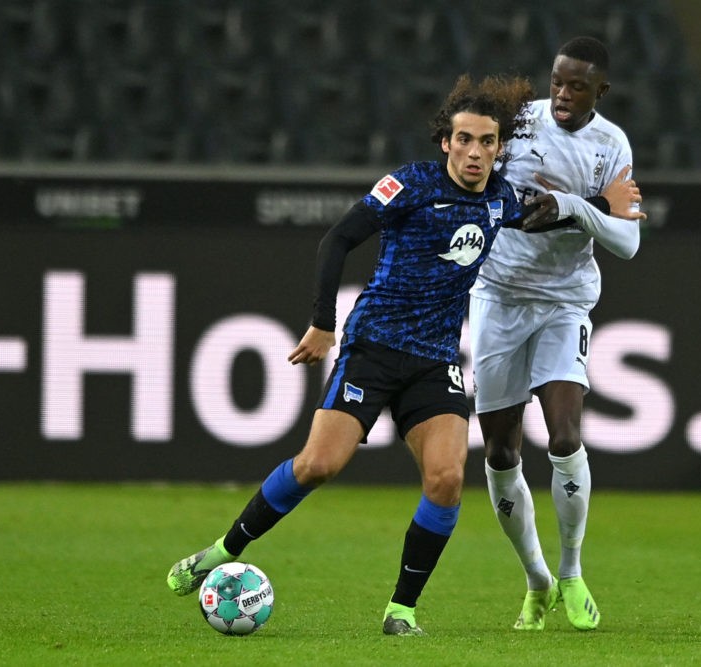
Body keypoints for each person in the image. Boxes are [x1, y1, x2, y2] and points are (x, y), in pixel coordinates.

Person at [166, 73, 550, 637]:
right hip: (373, 347)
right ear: (446, 141)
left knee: (446, 480)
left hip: (435, 360)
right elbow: (337, 239)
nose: (475, 152)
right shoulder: (408, 186)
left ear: (498, 149)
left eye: (487, 142)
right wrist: (324, 323)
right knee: (319, 465)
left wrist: (603, 203)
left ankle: (401, 612)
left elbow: (551, 213)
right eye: (464, 139)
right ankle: (223, 550)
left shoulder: (502, 199)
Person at [468, 36, 647, 632]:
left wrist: (575, 207)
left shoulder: (612, 144)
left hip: (565, 303)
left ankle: (571, 570)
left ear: (602, 90)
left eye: (577, 86)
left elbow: (627, 242)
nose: (563, 95)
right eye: (557, 82)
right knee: (499, 452)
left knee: (565, 437)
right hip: (497, 298)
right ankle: (536, 578)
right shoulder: (516, 126)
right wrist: (593, 204)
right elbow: (489, 195)